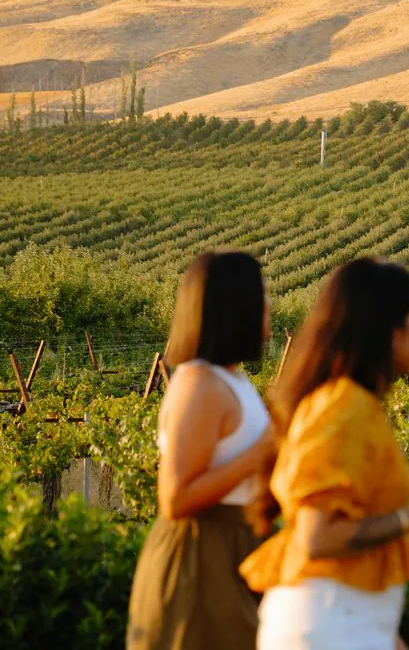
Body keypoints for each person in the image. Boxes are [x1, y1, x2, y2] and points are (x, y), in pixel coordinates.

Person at [241, 258, 409, 650]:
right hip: (328, 626)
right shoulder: (342, 408)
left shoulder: (353, 404)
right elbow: (318, 538)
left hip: (343, 622)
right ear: (389, 331)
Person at [128, 251, 275, 650]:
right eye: (261, 294)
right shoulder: (201, 384)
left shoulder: (232, 378)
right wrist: (260, 455)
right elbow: (175, 498)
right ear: (236, 306)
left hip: (233, 550)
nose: (270, 304)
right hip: (201, 559)